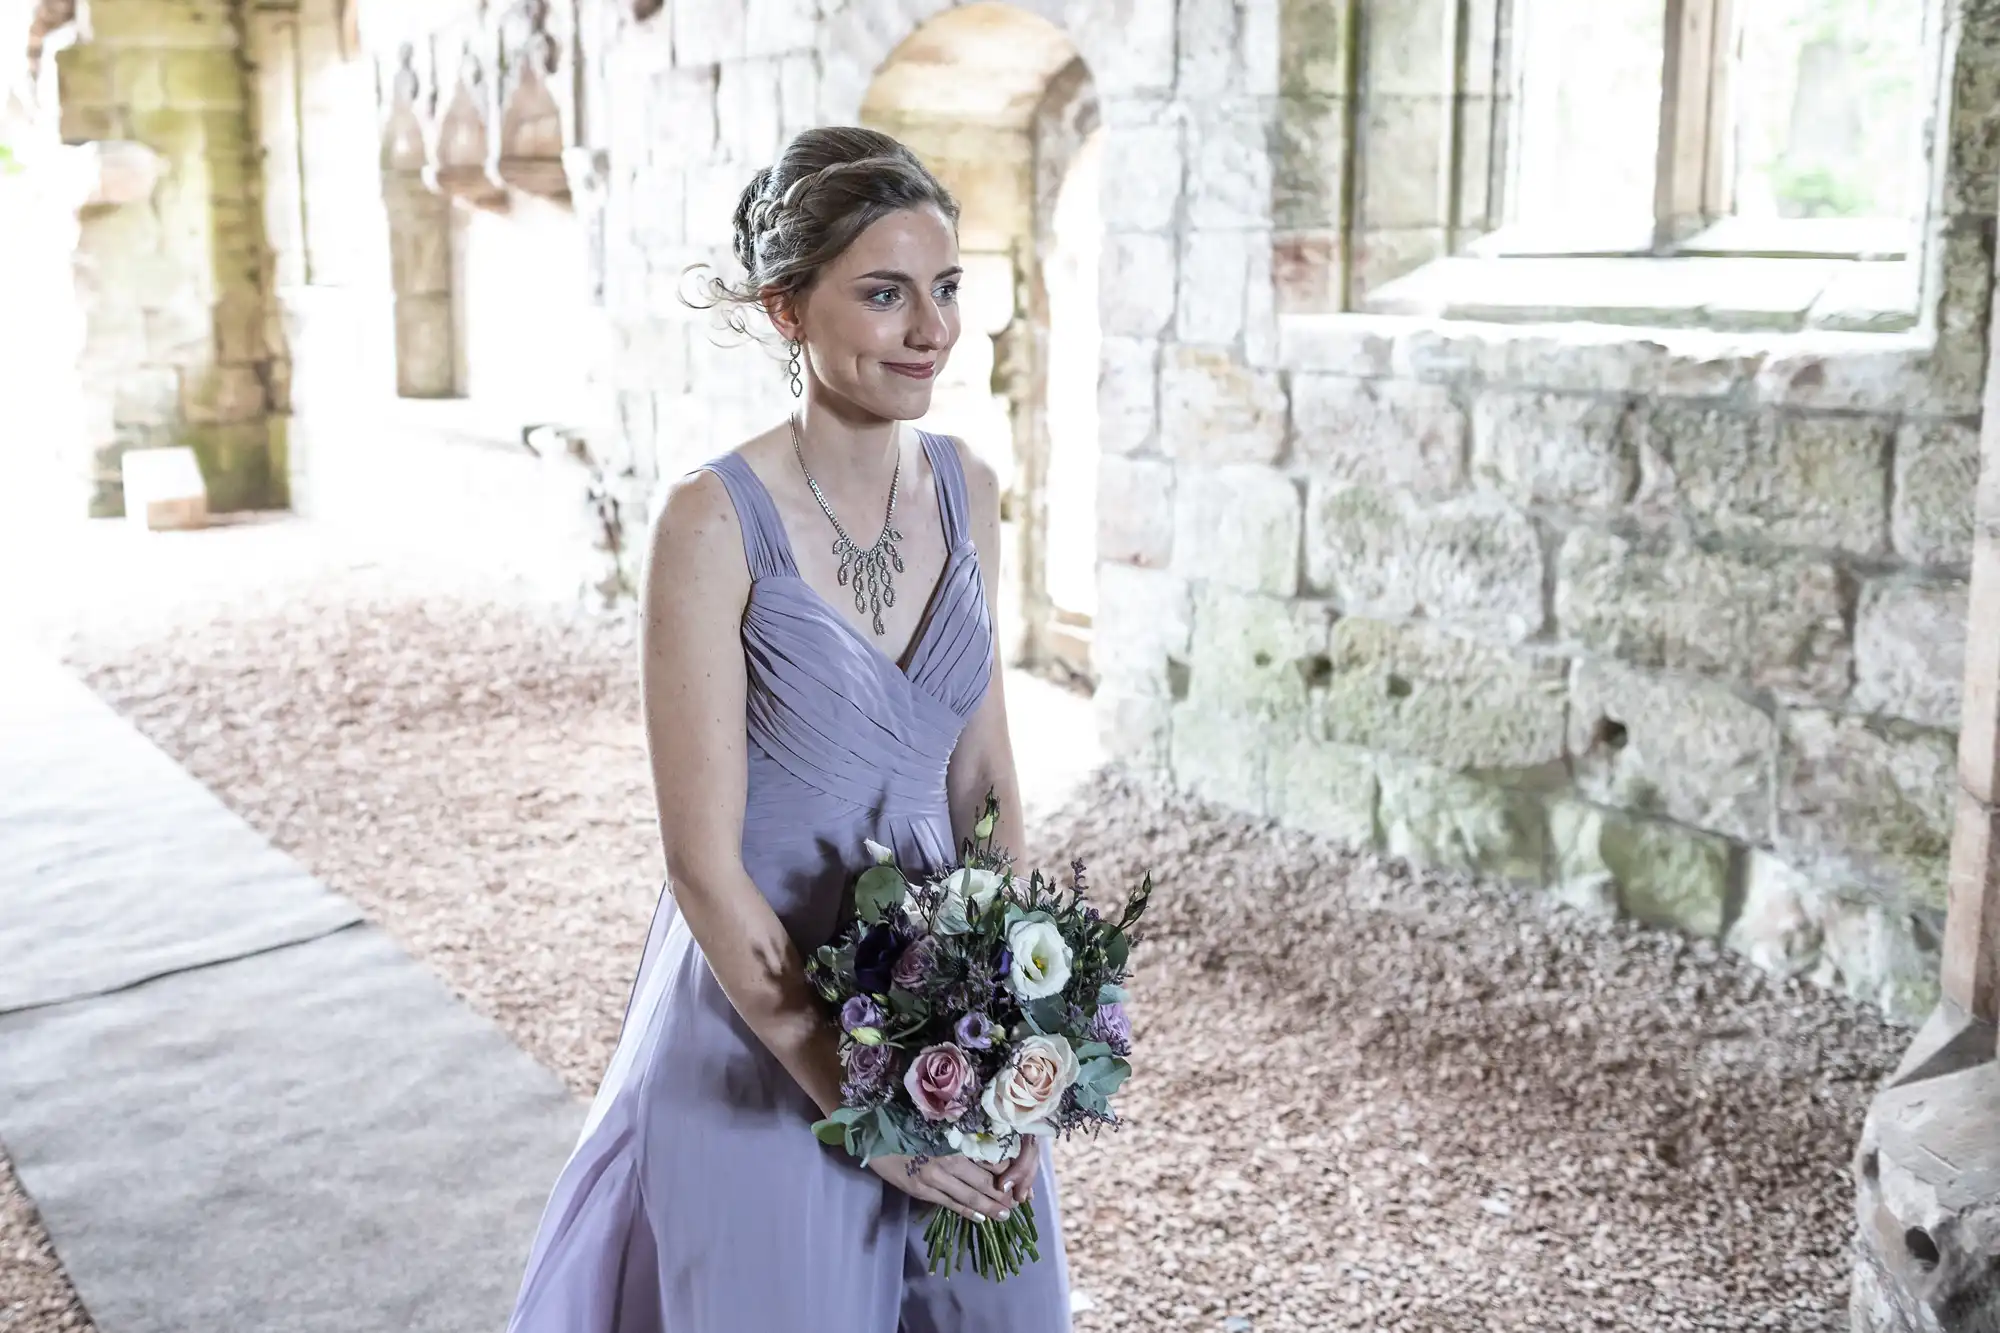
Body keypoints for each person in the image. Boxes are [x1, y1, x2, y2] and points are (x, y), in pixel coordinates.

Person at [504, 126, 1072, 1331]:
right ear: (785, 310)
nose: (931, 329)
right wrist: (869, 1110)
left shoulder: (968, 484)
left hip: (946, 1009)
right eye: (882, 293)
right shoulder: (709, 523)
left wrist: (1012, 1032)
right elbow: (701, 865)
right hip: (761, 1026)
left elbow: (980, 775)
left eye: (946, 288)